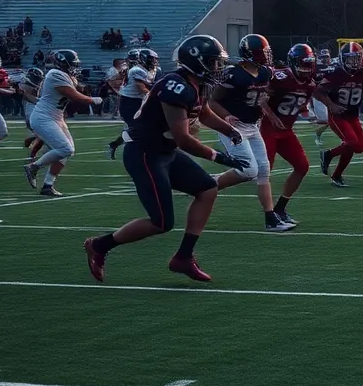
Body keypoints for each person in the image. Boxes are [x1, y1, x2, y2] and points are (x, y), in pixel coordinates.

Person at [83, 35, 248, 284]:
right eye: (214, 62)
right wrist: (218, 157)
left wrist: (229, 130)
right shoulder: (175, 85)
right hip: (145, 153)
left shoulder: (197, 83)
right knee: (161, 222)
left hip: (165, 152)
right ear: (197, 61)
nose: (218, 68)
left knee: (208, 188)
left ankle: (183, 256)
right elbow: (183, 138)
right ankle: (99, 245)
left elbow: (203, 112)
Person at [209, 33, 291, 232]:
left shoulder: (265, 73)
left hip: (253, 126)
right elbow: (212, 101)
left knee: (263, 171)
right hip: (233, 127)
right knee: (248, 170)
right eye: (262, 52)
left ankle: (270, 218)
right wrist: (226, 116)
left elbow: (260, 99)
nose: (267, 56)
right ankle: (208, 184)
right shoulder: (233, 74)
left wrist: (270, 116)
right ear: (250, 53)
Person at [23, 50, 102, 196]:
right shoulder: (55, 74)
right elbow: (73, 95)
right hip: (43, 117)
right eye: (72, 64)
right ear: (62, 63)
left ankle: (48, 185)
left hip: (55, 117)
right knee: (65, 149)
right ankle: (33, 167)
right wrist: (92, 100)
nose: (75, 67)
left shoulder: (65, 75)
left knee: (65, 150)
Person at [262, 43, 318, 224]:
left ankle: (280, 208)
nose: (305, 68)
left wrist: (307, 113)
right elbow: (260, 100)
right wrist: (271, 116)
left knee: (302, 166)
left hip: (285, 131)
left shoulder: (310, 84)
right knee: (262, 172)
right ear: (292, 62)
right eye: (302, 64)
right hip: (268, 129)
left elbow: (300, 104)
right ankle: (216, 183)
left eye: (308, 64)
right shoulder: (280, 77)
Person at [315, 41, 363, 188]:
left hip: (353, 115)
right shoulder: (335, 73)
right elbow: (317, 92)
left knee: (358, 147)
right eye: (350, 58)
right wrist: (331, 105)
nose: (353, 62)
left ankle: (335, 172)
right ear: (342, 58)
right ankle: (329, 158)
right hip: (337, 116)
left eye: (356, 58)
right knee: (351, 143)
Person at [310, 48, 333, 146]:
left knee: (337, 118)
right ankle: (317, 135)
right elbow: (309, 81)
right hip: (319, 96)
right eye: (323, 57)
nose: (325, 59)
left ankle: (344, 138)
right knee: (325, 120)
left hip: (332, 96)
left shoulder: (334, 66)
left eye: (326, 57)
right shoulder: (315, 67)